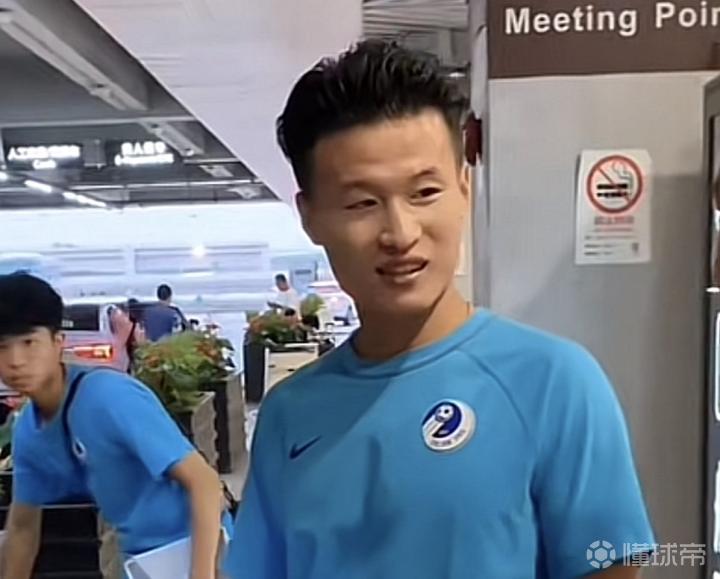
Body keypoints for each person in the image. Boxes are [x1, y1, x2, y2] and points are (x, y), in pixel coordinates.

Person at [224, 40, 654, 579]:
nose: (400, 233)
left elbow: (608, 565)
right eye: (362, 203)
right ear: (310, 217)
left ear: (464, 189)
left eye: (425, 192)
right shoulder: (290, 414)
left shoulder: (552, 381)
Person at [0, 273, 226, 579]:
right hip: (142, 563)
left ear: (58, 342)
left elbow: (204, 482)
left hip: (203, 552)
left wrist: (201, 574)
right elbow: (22, 529)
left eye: (29, 343)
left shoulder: (109, 396)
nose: (15, 360)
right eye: (2, 347)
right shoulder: (29, 430)